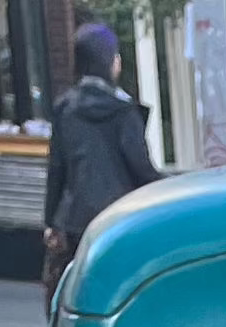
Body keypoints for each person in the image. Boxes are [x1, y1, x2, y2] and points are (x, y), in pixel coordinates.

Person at [40, 21, 158, 296]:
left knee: (82, 293)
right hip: (121, 218)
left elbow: (57, 168)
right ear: (110, 62)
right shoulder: (124, 112)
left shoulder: (65, 109)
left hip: (77, 223)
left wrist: (51, 222)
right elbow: (141, 169)